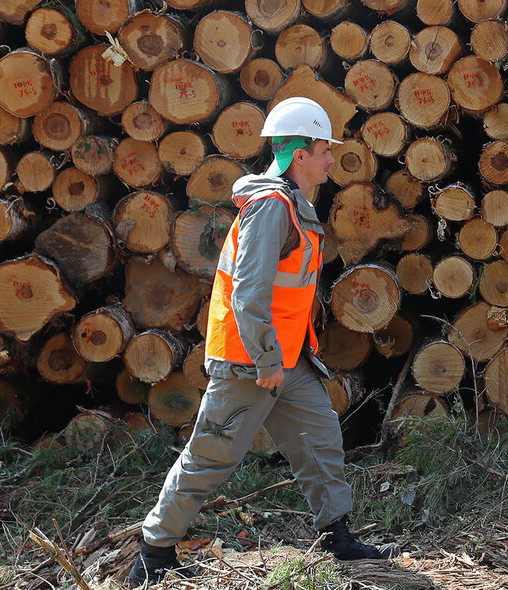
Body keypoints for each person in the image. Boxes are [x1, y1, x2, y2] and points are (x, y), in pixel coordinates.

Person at [129, 97, 397, 586]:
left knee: (320, 441)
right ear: (300, 155)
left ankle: (337, 537)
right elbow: (249, 292)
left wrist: (285, 357)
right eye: (324, 150)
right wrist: (267, 358)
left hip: (287, 358)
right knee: (211, 455)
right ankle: (153, 550)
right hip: (250, 360)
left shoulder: (293, 204)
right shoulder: (272, 209)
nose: (332, 159)